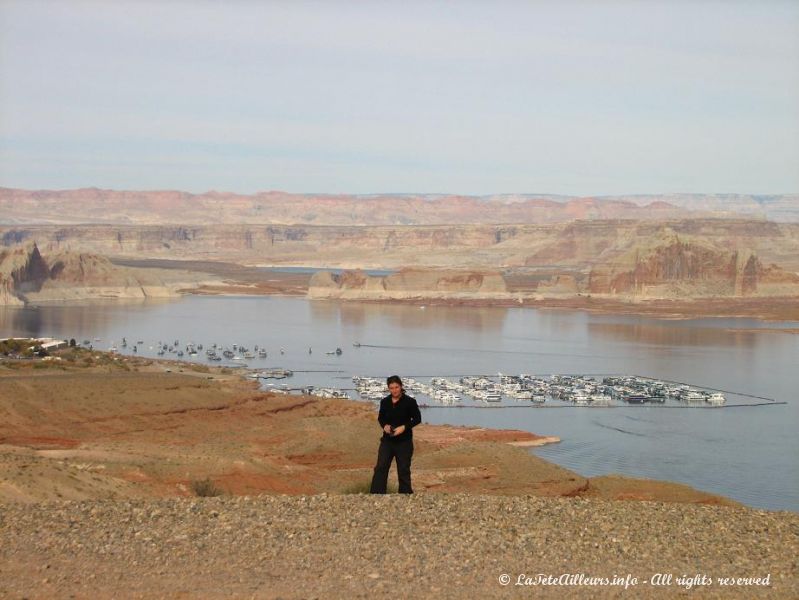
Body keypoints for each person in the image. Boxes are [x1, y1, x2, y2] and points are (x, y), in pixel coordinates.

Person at [369, 375, 422, 494]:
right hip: (387, 441)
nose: (394, 390)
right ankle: (376, 495)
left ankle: (405, 495)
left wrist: (404, 427)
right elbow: (380, 418)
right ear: (388, 388)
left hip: (404, 442)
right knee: (381, 467)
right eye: (391, 388)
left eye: (396, 387)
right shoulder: (385, 402)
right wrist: (385, 426)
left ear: (401, 386)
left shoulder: (410, 402)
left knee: (403, 469)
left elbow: (417, 419)